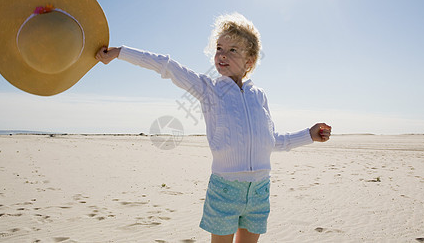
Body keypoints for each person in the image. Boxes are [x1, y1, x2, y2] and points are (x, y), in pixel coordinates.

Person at [96, 13, 331, 243]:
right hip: (225, 190)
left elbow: (272, 141)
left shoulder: (259, 96)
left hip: (260, 190)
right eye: (219, 48)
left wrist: (308, 135)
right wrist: (119, 53)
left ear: (249, 61)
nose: (222, 55)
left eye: (232, 50)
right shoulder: (208, 89)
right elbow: (166, 66)